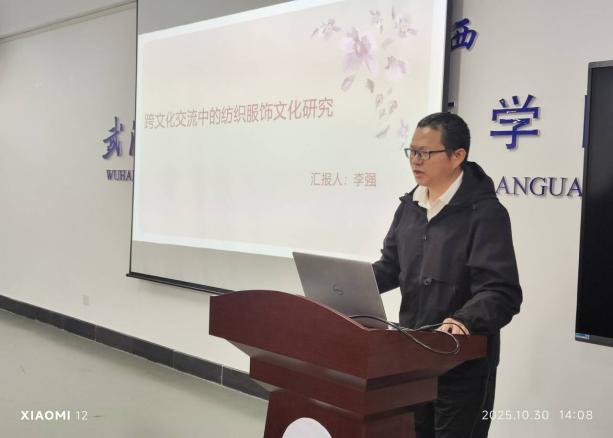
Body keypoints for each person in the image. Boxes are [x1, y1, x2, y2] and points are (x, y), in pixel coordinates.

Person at [372, 112, 522, 438]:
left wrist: (464, 319)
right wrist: (349, 284)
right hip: (413, 354)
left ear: (457, 156)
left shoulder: (485, 213)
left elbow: (501, 292)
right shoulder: (410, 206)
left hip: (462, 365)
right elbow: (391, 267)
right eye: (412, 151)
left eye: (425, 152)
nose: (415, 160)